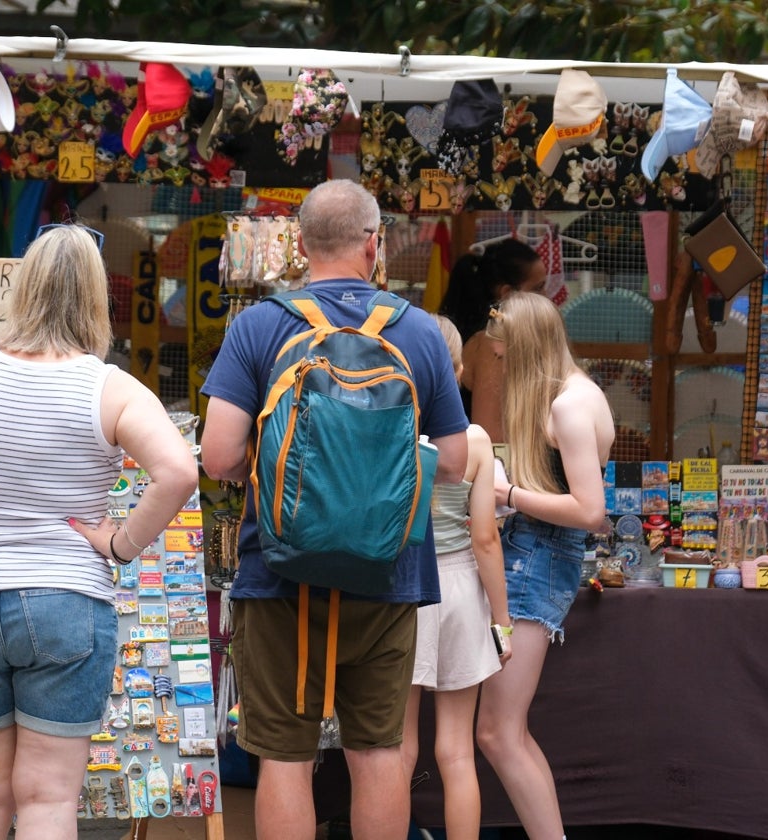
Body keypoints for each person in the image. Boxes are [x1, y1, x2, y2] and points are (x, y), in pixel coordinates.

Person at [0, 225, 198, 840]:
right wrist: (120, 542)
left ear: (24, 287)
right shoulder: (110, 387)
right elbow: (177, 472)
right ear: (96, 297)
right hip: (67, 600)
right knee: (47, 799)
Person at [199, 179, 469, 840]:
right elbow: (456, 461)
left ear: (299, 242)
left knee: (285, 761)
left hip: (280, 574)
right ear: (374, 244)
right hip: (389, 574)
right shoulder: (419, 332)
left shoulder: (259, 325)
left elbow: (216, 455)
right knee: (378, 757)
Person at [475, 291, 615, 840]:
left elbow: (590, 511)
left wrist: (509, 491)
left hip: (538, 558)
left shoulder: (567, 406)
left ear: (526, 347)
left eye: (506, 355)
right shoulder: (580, 393)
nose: (502, 365)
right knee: (502, 731)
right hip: (539, 555)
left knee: (498, 733)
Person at [401, 315, 512, 840]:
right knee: (456, 750)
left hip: (405, 590)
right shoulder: (476, 440)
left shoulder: (395, 430)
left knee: (397, 746)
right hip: (464, 591)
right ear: (461, 370)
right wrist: (504, 621)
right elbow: (486, 539)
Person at [438, 238, 546, 443]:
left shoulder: (493, 339)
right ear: (507, 294)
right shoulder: (492, 344)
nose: (547, 297)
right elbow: (491, 438)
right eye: (538, 288)